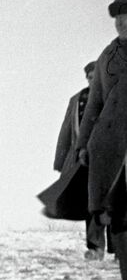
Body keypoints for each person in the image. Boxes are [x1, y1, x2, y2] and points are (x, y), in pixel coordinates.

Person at [76, 0, 127, 280]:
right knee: (120, 219)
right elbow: (93, 103)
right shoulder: (108, 55)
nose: (121, 21)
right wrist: (83, 144)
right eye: (117, 15)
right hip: (110, 147)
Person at [55, 61, 112, 260]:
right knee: (92, 202)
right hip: (84, 159)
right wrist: (61, 160)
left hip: (113, 159)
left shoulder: (116, 96)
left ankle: (120, 250)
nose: (92, 80)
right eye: (89, 77)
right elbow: (67, 130)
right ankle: (95, 248)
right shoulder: (77, 99)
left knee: (116, 203)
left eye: (96, 77)